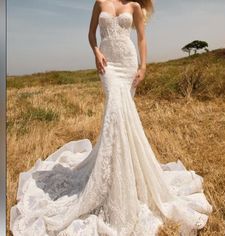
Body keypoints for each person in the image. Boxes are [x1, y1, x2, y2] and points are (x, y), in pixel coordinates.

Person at [10, 0, 213, 235]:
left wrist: (144, 67)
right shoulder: (100, 2)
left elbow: (142, 39)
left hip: (127, 63)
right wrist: (96, 51)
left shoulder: (135, 7)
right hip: (107, 64)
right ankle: (107, 178)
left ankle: (125, 176)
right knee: (114, 112)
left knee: (123, 115)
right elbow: (90, 33)